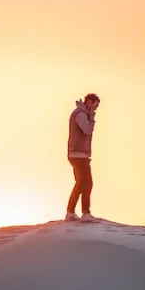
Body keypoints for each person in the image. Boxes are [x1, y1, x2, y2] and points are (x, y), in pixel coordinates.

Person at [65, 93, 100, 222]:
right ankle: (85, 213)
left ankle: (70, 212)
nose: (95, 109)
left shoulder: (80, 113)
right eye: (95, 106)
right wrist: (91, 118)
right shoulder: (80, 114)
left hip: (78, 154)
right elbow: (87, 130)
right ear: (89, 102)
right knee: (87, 183)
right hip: (78, 154)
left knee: (81, 183)